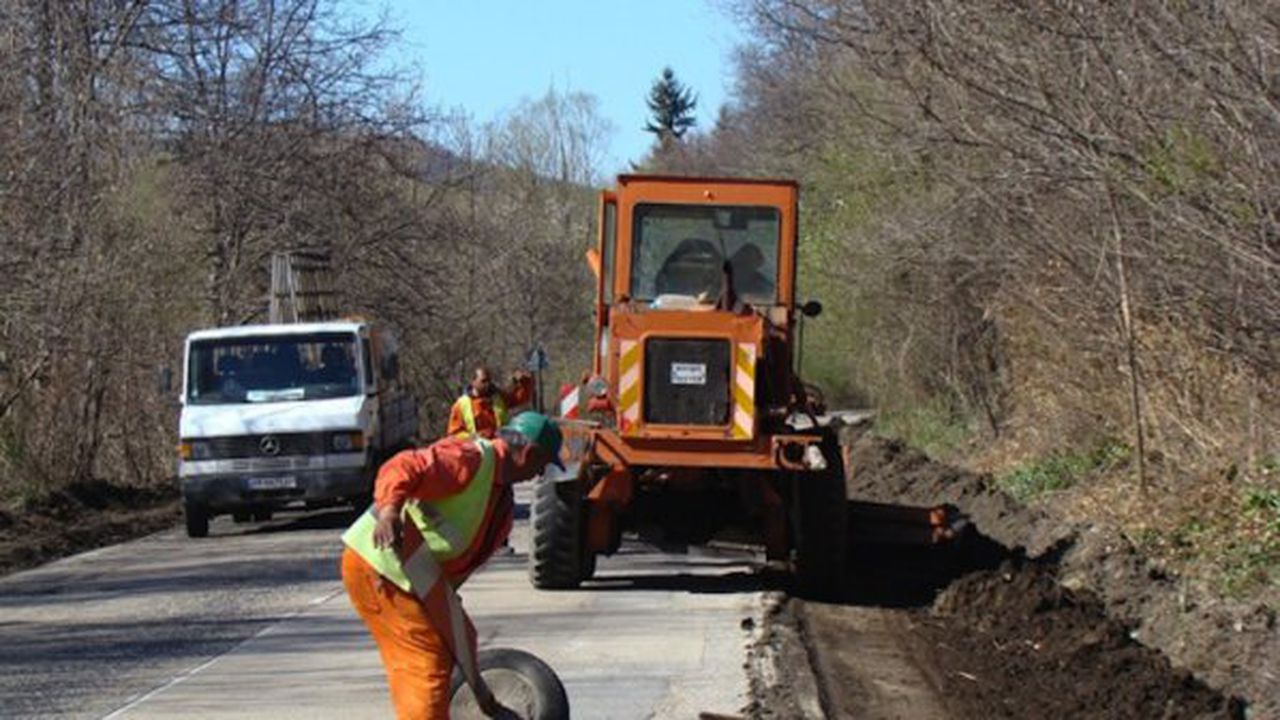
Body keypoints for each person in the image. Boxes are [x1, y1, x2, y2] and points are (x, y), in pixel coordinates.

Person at [341, 411, 564, 719]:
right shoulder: (470, 458)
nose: (540, 474)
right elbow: (404, 465)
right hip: (379, 564)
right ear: (529, 452)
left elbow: (453, 554)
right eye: (542, 464)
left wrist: (447, 603)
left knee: (441, 655)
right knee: (425, 663)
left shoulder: (499, 501)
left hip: (414, 576)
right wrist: (390, 510)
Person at [446, 366, 533, 439]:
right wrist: (472, 437)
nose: (487, 384)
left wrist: (524, 381)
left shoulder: (498, 397)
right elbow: (454, 434)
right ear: (473, 382)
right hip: (477, 452)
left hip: (500, 449)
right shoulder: (461, 405)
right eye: (483, 381)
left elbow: (521, 398)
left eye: (489, 381)